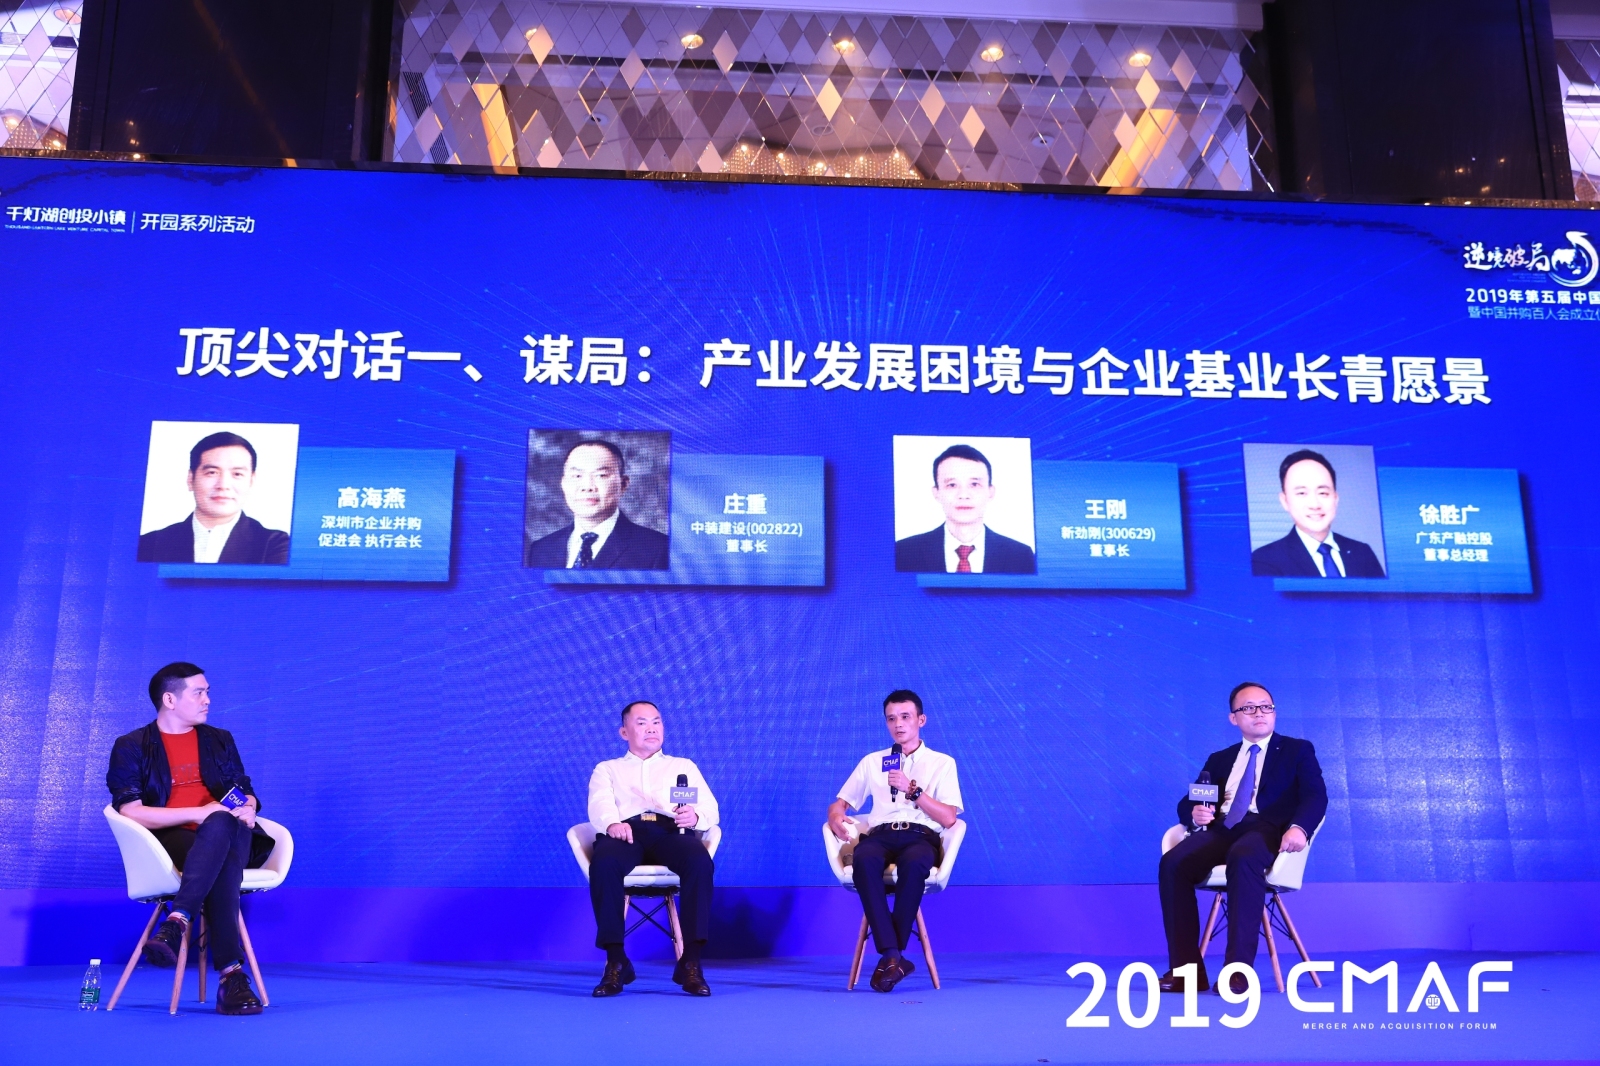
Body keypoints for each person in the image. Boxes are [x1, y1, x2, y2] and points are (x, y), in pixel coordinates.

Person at [105, 662, 274, 1015]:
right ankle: (232, 977)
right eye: (199, 693)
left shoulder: (219, 739)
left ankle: (178, 920)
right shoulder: (132, 745)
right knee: (219, 846)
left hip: (234, 836)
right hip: (174, 842)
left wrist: (248, 807)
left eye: (207, 692)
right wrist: (198, 814)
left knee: (222, 825)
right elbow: (131, 810)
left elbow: (244, 790)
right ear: (169, 699)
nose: (207, 700)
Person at [1157, 682, 1328, 995]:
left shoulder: (1297, 750)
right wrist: (1195, 813)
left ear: (1274, 713)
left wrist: (1299, 828)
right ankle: (1186, 973)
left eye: (1266, 707)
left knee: (1244, 855)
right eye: (1248, 708)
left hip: (1267, 829)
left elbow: (1315, 796)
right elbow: (1190, 800)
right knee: (1173, 863)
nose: (1259, 713)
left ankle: (1237, 972)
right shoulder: (1220, 759)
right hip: (1223, 828)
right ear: (1234, 718)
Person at [828, 689, 963, 993]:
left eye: (905, 717)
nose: (898, 724)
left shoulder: (942, 763)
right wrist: (835, 816)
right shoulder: (873, 761)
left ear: (921, 720)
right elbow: (840, 803)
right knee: (864, 859)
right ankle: (894, 957)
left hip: (920, 836)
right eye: (891, 719)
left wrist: (912, 790)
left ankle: (891, 956)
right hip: (881, 834)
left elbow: (948, 818)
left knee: (915, 864)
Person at [586, 700, 719, 997]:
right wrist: (611, 823)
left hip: (670, 832)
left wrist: (696, 817)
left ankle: (691, 961)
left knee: (700, 861)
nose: (652, 729)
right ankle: (616, 961)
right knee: (604, 863)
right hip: (625, 832)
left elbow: (710, 808)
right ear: (624, 732)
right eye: (642, 723)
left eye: (657, 722)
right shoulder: (608, 769)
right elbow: (599, 804)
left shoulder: (682, 767)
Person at [137, 431, 291, 564]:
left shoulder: (274, 545)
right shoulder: (149, 544)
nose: (223, 485)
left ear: (251, 481)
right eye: (212, 473)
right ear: (190, 479)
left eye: (237, 474)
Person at [524, 440, 670, 569]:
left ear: (623, 484)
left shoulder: (659, 549)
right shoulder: (541, 549)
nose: (587, 487)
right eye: (577, 476)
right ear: (563, 483)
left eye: (601, 475)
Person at [894, 444, 1035, 574]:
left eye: (974, 484)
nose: (963, 495)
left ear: (990, 492)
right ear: (936, 493)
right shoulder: (904, 552)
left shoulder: (1020, 555)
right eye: (952, 485)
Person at [1251, 449, 1385, 577]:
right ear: (1285, 501)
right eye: (1301, 493)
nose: (1315, 505)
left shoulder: (1362, 552)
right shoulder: (1265, 560)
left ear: (1336, 498)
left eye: (1323, 493)